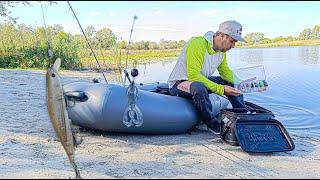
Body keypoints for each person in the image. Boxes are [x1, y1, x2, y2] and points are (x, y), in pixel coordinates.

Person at [167, 20, 247, 134]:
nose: (233, 46)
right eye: (232, 41)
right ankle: (211, 123)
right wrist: (221, 89)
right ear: (221, 35)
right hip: (180, 83)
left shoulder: (221, 51)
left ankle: (242, 114)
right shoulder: (198, 43)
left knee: (231, 82)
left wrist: (242, 83)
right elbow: (193, 76)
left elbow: (225, 72)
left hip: (199, 80)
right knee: (199, 87)